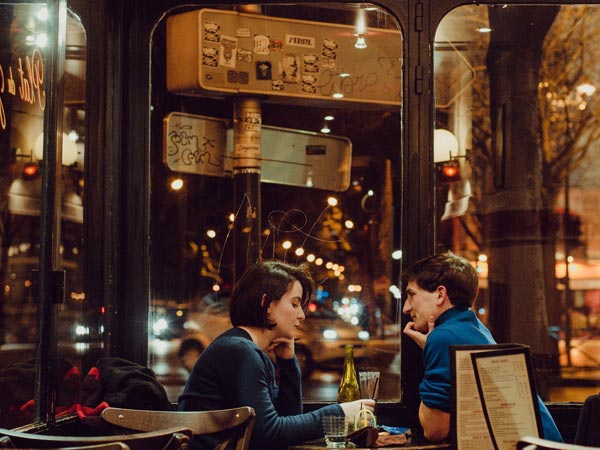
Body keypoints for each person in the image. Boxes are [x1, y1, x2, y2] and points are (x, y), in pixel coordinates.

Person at [179, 260, 374, 450]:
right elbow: (270, 435)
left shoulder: (245, 348)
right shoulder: (240, 351)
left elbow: (286, 423)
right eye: (295, 304)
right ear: (267, 305)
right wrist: (339, 413)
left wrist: (288, 362)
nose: (302, 315)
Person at [402, 252, 563, 443]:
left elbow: (434, 429)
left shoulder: (443, 337)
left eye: (412, 295)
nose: (406, 308)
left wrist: (432, 347)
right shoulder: (474, 327)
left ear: (440, 294)